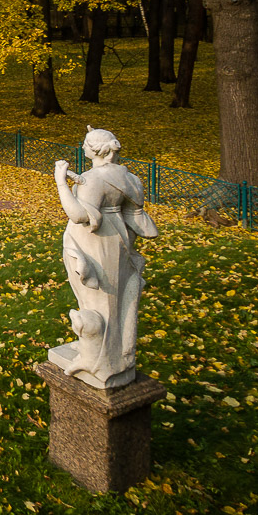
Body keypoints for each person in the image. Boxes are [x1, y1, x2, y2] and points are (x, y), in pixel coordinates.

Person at [52, 127, 158, 388]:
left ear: (96, 150)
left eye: (86, 144)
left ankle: (99, 361)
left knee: (96, 297)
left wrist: (60, 181)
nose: (83, 147)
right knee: (115, 296)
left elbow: (79, 215)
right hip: (118, 238)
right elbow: (137, 217)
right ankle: (116, 352)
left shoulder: (93, 179)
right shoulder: (130, 178)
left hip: (93, 241)